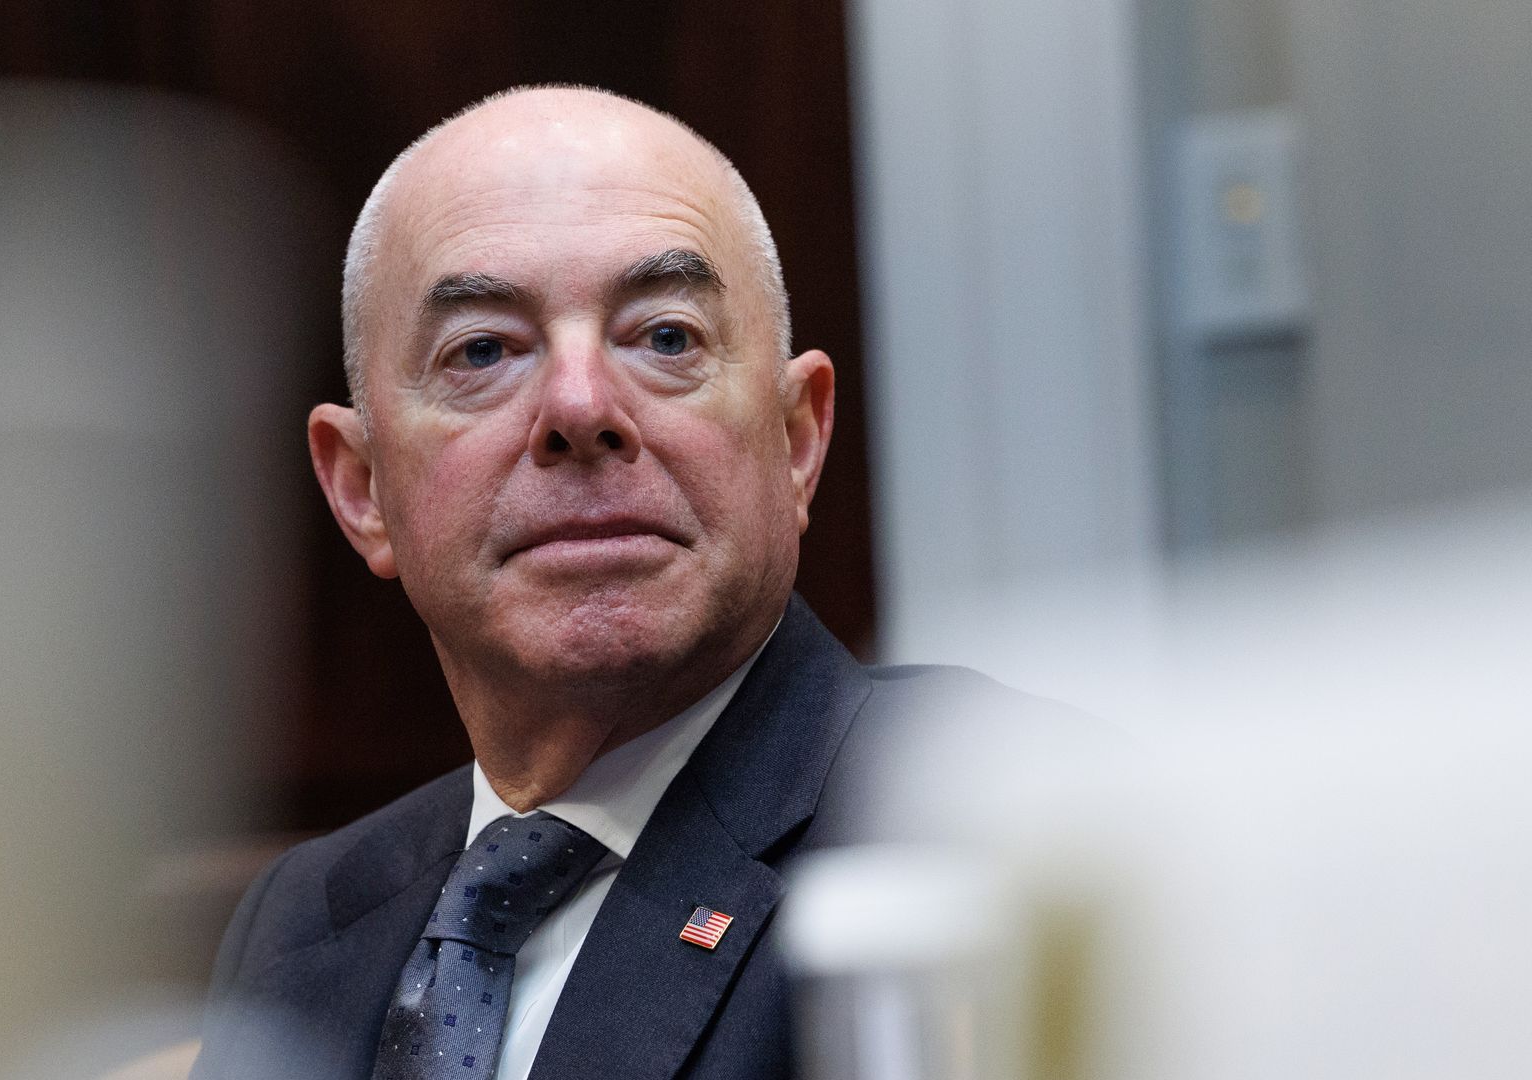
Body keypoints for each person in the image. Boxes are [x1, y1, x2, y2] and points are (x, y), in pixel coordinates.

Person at [191, 84, 1043, 1080]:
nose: (581, 406)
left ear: (797, 439)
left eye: (666, 337)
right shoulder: (305, 916)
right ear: (362, 487)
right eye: (483, 351)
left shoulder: (984, 821)